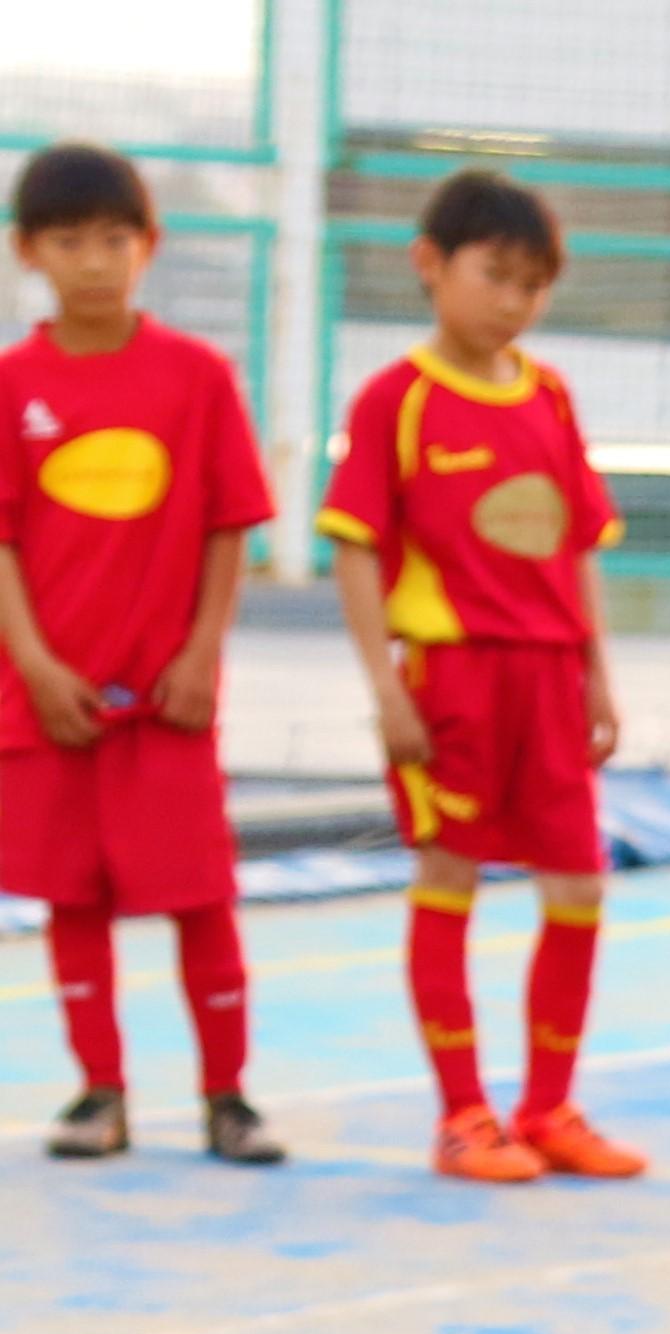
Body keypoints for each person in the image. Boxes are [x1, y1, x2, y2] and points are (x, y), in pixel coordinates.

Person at [320, 167, 636, 1188]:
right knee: (449, 875)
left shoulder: (550, 396)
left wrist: (597, 674)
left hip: (550, 684)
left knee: (580, 885)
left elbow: (578, 544)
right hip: (453, 682)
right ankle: (463, 1115)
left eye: (532, 284)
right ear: (430, 265)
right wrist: (386, 688)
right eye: (495, 275)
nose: (513, 301)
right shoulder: (396, 402)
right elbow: (358, 549)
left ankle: (549, 1106)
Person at [0, 147, 282, 1168]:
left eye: (114, 240)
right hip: (54, 702)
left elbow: (228, 523)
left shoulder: (196, 378)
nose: (93, 262)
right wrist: (31, 663)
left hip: (167, 703)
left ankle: (228, 1095)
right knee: (73, 898)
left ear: (148, 247)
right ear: (28, 252)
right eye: (69, 242)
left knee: (200, 896)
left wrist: (202, 653)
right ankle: (100, 1092)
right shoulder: (10, 386)